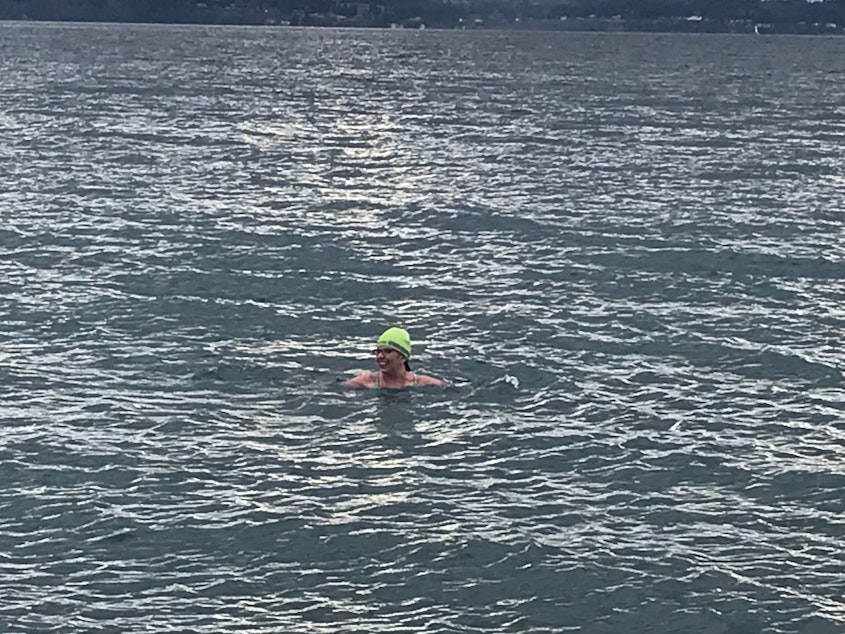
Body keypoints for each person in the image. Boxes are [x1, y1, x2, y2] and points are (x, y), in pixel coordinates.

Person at [345, 327, 445, 388]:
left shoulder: (424, 383)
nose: (380, 356)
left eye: (387, 351)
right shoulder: (366, 381)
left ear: (403, 357)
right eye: (378, 351)